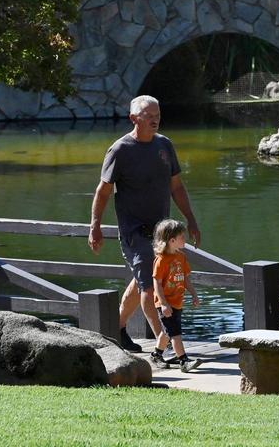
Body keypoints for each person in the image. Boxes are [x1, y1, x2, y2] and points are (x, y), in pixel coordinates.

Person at [88, 95, 202, 352]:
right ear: (133, 119)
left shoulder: (164, 145)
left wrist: (191, 220)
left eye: (158, 115)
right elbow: (103, 191)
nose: (155, 120)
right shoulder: (120, 150)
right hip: (134, 232)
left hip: (162, 233)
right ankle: (168, 344)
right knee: (150, 288)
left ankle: (116, 328)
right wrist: (95, 226)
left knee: (142, 281)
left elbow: (177, 186)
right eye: (149, 116)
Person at [150, 219, 202, 372]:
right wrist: (164, 303)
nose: (185, 239)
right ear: (172, 240)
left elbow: (185, 278)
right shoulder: (161, 261)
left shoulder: (181, 257)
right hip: (165, 303)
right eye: (182, 237)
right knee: (175, 333)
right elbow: (157, 283)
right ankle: (184, 361)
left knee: (167, 332)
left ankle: (156, 355)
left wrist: (194, 294)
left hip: (177, 301)